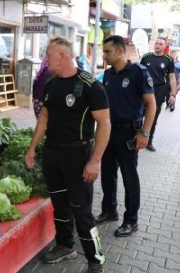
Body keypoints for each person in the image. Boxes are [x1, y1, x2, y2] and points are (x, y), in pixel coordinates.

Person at [24, 37, 111, 273]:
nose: (45, 59)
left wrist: (95, 161)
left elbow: (104, 124)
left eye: (48, 55)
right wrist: (32, 148)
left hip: (78, 155)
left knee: (81, 210)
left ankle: (95, 259)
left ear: (62, 56)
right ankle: (65, 246)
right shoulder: (51, 83)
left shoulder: (91, 85)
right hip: (53, 154)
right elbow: (44, 118)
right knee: (60, 206)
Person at [94, 36, 156, 237]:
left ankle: (131, 220)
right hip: (109, 131)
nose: (104, 55)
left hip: (129, 132)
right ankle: (109, 210)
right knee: (108, 173)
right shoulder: (109, 74)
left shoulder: (138, 72)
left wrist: (144, 133)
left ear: (120, 51)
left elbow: (151, 104)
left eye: (107, 51)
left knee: (129, 177)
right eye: (103, 52)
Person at [139, 37, 177, 151]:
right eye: (156, 43)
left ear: (165, 46)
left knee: (153, 117)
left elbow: (172, 77)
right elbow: (139, 72)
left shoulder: (168, 59)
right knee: (139, 115)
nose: (158, 45)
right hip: (144, 90)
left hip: (159, 91)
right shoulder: (146, 57)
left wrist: (173, 94)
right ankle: (135, 137)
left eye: (160, 44)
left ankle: (148, 141)